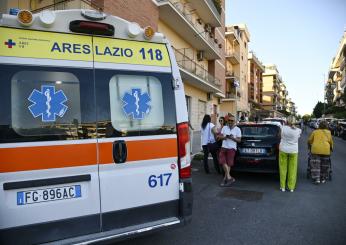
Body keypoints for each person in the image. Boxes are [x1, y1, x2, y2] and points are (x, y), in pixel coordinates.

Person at [217, 115, 241, 186]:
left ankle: (225, 179)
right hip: (224, 147)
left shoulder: (237, 129)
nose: (230, 122)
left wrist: (233, 138)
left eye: (232, 121)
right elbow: (219, 136)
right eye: (229, 120)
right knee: (222, 161)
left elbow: (239, 140)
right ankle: (229, 177)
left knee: (229, 164)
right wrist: (224, 137)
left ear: (234, 121)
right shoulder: (224, 127)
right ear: (227, 121)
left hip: (232, 148)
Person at [279, 116, 301, 192]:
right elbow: (297, 138)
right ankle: (291, 187)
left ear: (287, 121)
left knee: (283, 168)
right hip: (293, 151)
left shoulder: (283, 128)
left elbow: (280, 137)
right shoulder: (298, 130)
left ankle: (282, 186)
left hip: (283, 149)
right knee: (293, 169)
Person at [308, 120, 333, 184]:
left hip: (315, 150)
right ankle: (323, 178)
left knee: (315, 164)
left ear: (319, 125)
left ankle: (317, 179)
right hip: (326, 150)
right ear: (326, 126)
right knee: (324, 165)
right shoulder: (328, 132)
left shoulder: (315, 132)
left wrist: (310, 145)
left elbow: (310, 140)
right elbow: (331, 142)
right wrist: (331, 148)